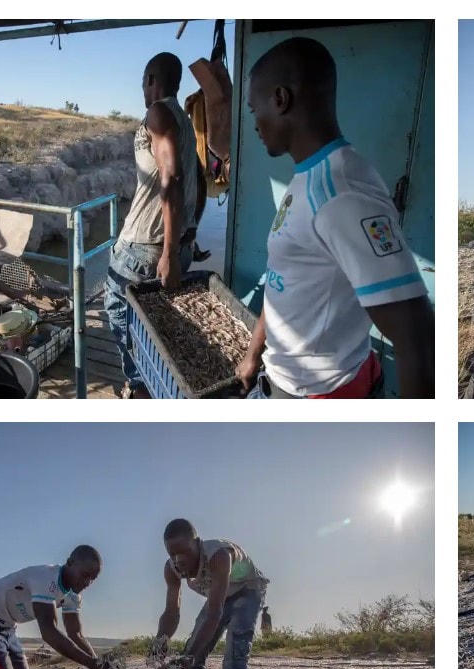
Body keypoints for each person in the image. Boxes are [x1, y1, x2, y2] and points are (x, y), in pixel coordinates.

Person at [234, 37, 434, 399]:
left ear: (280, 99)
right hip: (280, 379)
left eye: (253, 110)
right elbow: (287, 277)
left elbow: (418, 335)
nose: (254, 123)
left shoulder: (341, 193)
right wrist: (254, 353)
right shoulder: (307, 177)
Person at [104, 52, 200, 398]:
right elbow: (198, 179)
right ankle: (152, 385)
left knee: (118, 310)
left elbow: (172, 177)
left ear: (151, 81)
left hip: (144, 250)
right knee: (157, 327)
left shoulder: (158, 113)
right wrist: (190, 230)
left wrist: (171, 252)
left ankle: (141, 386)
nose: (142, 91)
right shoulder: (184, 121)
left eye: (143, 83)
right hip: (172, 245)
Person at [151, 518, 269, 669]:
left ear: (197, 543)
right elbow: (172, 611)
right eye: (172, 554)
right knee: (193, 647)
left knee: (234, 658)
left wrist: (189, 659)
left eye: (184, 552)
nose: (179, 560)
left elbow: (215, 614)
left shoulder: (219, 556)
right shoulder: (171, 569)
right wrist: (161, 640)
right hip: (220, 596)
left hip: (248, 590)